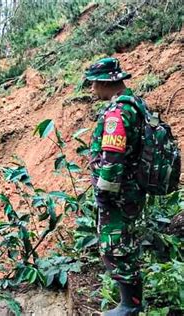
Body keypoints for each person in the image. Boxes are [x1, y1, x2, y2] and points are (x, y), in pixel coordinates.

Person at [86, 57, 147, 316]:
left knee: (115, 245)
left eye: (93, 84)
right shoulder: (134, 104)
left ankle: (129, 306)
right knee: (126, 242)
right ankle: (131, 302)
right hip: (132, 188)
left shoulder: (116, 114)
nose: (91, 89)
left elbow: (112, 159)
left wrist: (103, 193)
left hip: (119, 194)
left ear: (105, 83)